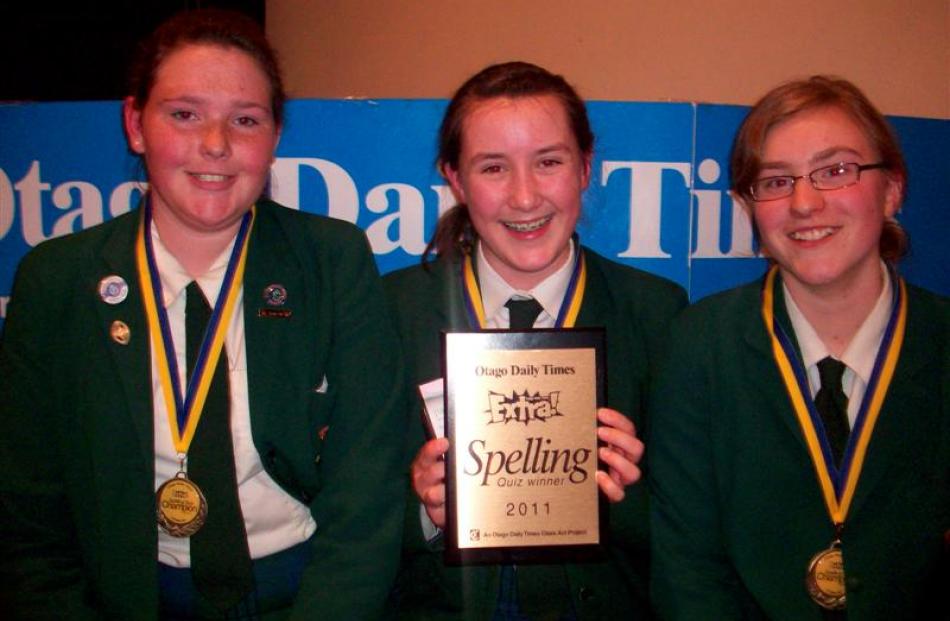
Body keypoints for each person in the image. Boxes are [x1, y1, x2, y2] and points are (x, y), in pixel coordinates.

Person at [0, 9, 405, 620]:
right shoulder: (57, 280)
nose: (215, 144)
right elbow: (28, 515)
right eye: (184, 114)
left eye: (245, 120)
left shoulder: (332, 261)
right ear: (135, 123)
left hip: (303, 595)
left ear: (274, 137)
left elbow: (367, 490)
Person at [384, 61, 687, 620]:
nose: (525, 198)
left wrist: (629, 491)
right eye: (493, 167)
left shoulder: (657, 312)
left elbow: (691, 530)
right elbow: (348, 511)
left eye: (548, 162)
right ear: (454, 178)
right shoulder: (390, 311)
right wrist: (423, 508)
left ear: (585, 168)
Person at [649, 75, 949, 620]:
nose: (805, 203)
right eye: (776, 181)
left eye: (835, 171)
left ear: (892, 189)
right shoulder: (699, 347)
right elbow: (686, 571)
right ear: (749, 207)